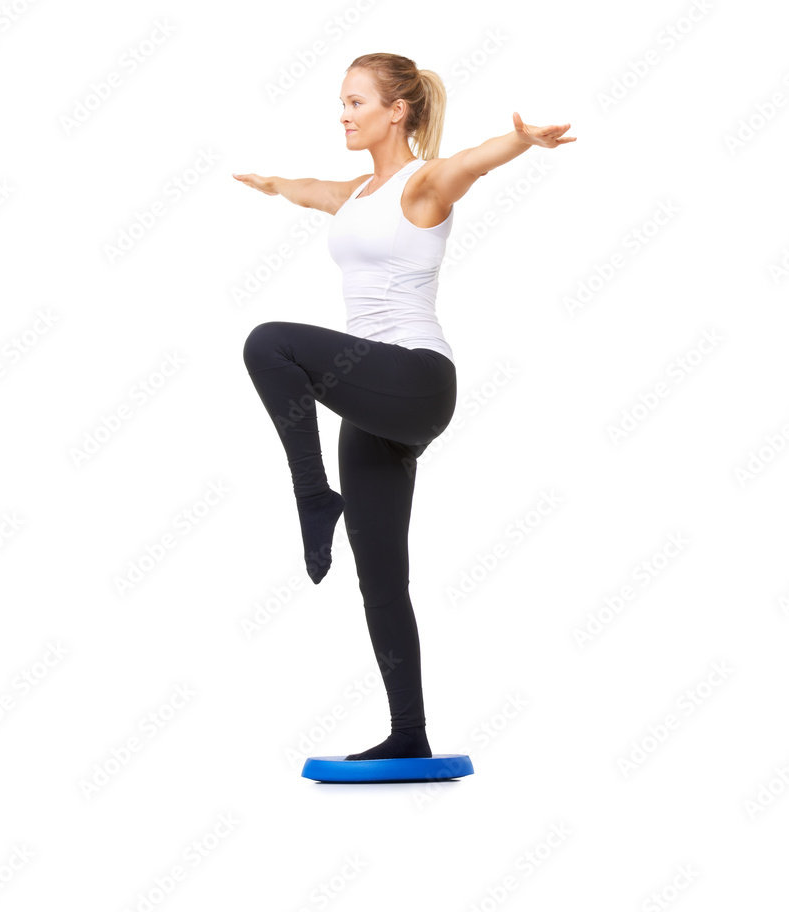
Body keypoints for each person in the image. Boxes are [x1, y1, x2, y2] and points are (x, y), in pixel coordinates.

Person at [236, 52, 575, 761]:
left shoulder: (424, 183)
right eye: (341, 102)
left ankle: (311, 500)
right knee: (380, 577)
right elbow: (314, 190)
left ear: (397, 111)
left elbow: (473, 164)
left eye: (356, 102)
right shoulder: (359, 192)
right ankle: (410, 735)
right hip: (371, 401)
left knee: (271, 345)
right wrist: (274, 186)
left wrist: (522, 140)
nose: (344, 114)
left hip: (417, 380)